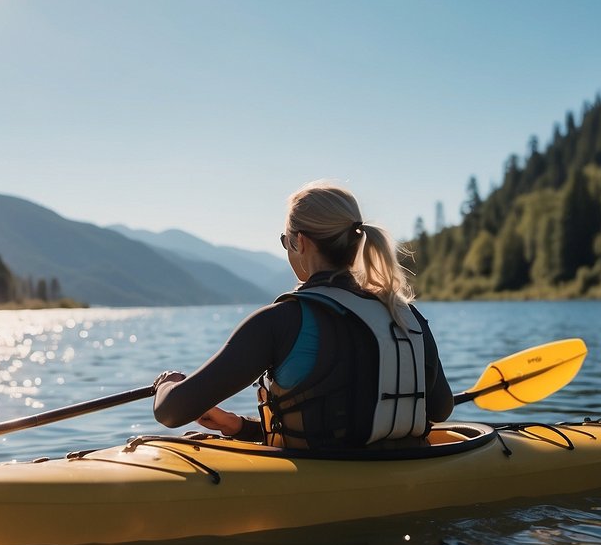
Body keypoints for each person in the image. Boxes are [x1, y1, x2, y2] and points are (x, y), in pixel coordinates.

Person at [154, 181, 453, 450]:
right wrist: (239, 427)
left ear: (302, 242)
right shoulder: (404, 314)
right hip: (407, 477)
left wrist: (166, 385)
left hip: (324, 489)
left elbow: (171, 412)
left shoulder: (280, 321)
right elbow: (440, 410)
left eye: (287, 241)